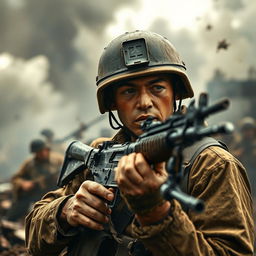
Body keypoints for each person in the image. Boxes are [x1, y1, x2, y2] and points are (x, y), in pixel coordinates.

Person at [25, 31, 254, 255]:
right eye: (128, 91)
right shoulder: (99, 154)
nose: (144, 102)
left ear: (175, 94)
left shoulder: (211, 165)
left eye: (157, 88)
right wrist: (65, 211)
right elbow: (34, 238)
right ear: (113, 103)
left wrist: (157, 213)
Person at [6, 138, 64, 222]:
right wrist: (23, 183)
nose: (43, 153)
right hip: (39, 193)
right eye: (39, 152)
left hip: (57, 189)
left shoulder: (57, 159)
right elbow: (15, 178)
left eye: (44, 150)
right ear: (35, 153)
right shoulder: (29, 164)